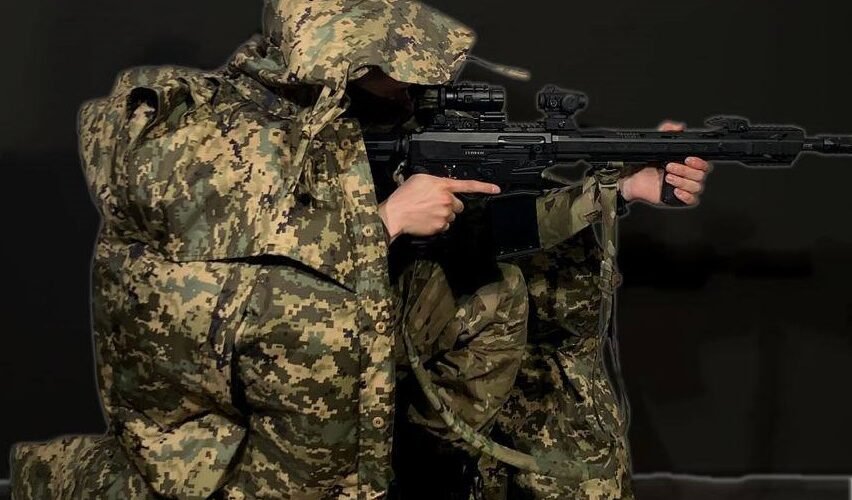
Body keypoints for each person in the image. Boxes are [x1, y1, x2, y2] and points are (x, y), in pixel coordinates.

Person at [8, 1, 710, 499]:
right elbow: (229, 284)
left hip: (351, 361)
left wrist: (622, 187)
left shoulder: (376, 116)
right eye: (386, 65)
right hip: (233, 398)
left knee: (494, 295)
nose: (408, 83)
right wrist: (383, 222)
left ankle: (420, 467)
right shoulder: (214, 135)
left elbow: (486, 225)